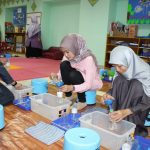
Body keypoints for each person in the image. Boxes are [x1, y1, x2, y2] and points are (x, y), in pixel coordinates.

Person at [101, 46, 150, 137]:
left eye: (120, 66)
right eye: (114, 66)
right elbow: (114, 89)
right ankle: (115, 118)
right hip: (119, 113)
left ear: (129, 62)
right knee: (119, 79)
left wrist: (126, 112)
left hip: (136, 116)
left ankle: (128, 125)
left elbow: (147, 103)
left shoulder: (147, 74)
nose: (117, 69)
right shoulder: (119, 72)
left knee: (136, 84)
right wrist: (108, 94)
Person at [50, 33, 103, 110]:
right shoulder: (67, 55)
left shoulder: (88, 59)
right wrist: (56, 76)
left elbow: (88, 84)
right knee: (64, 64)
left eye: (67, 52)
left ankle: (82, 101)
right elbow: (62, 72)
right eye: (64, 52)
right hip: (77, 77)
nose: (65, 55)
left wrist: (72, 87)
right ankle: (69, 96)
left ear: (75, 48)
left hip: (92, 82)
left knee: (73, 74)